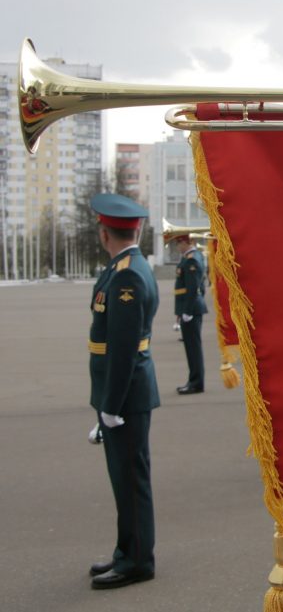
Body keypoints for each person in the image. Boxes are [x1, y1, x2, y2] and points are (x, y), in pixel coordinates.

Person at [86, 194, 160, 590]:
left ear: (103, 233)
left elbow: (124, 346)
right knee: (124, 480)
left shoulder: (128, 274)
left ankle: (136, 561)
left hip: (126, 397)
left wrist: (110, 406)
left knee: (131, 481)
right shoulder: (124, 268)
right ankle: (125, 551)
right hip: (121, 395)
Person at [168, 232, 208, 394]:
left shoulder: (191, 259)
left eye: (179, 243)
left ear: (185, 242)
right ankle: (194, 380)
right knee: (192, 348)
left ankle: (196, 383)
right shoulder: (191, 257)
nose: (178, 247)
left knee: (193, 349)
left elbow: (193, 288)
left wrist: (187, 310)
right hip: (190, 307)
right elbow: (200, 287)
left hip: (191, 309)